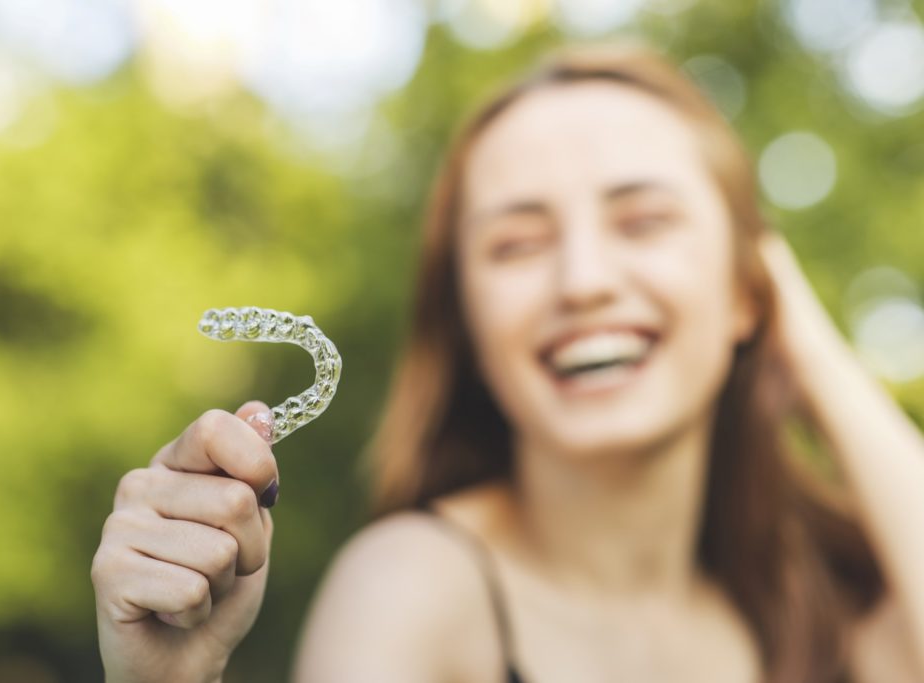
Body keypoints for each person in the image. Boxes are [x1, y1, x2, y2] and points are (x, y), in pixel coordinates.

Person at [91, 40, 924, 682]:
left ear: (748, 291)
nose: (584, 281)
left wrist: (807, 341)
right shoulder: (416, 587)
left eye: (642, 221)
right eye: (517, 244)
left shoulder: (829, 606)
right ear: (468, 322)